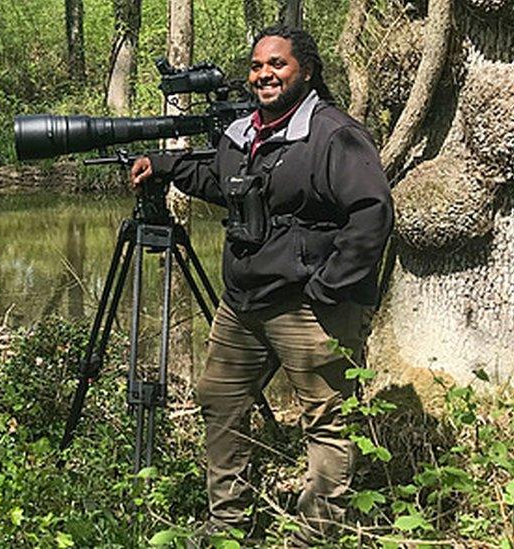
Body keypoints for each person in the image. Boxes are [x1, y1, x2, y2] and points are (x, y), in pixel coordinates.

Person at [130, 26, 393, 543]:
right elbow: (220, 179)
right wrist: (162, 165)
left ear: (306, 71)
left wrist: (327, 288)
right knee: (219, 400)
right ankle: (229, 523)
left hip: (308, 306)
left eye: (277, 64)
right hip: (244, 303)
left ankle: (315, 535)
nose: (264, 75)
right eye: (256, 66)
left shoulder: (332, 133)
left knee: (328, 422)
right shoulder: (245, 132)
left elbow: (372, 214)